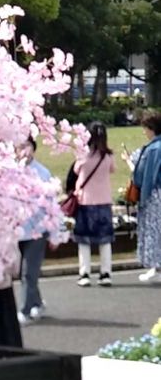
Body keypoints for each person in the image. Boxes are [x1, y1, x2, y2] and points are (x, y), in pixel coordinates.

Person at [17, 137, 60, 324]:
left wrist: (55, 233)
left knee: (28, 272)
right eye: (19, 147)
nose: (23, 151)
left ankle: (25, 310)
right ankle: (37, 303)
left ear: (33, 148)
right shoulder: (10, 171)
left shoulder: (42, 173)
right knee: (26, 273)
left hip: (38, 230)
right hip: (18, 231)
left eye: (26, 146)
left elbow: (52, 205)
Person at [72, 121, 116, 287]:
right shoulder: (108, 156)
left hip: (85, 201)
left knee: (84, 240)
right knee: (105, 240)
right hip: (104, 201)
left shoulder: (82, 156)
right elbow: (113, 169)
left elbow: (76, 170)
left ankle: (85, 273)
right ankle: (106, 273)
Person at [131, 109, 161, 283]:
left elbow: (147, 175)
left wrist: (142, 198)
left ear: (151, 128)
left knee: (153, 231)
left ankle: (155, 266)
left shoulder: (153, 149)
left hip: (155, 194)